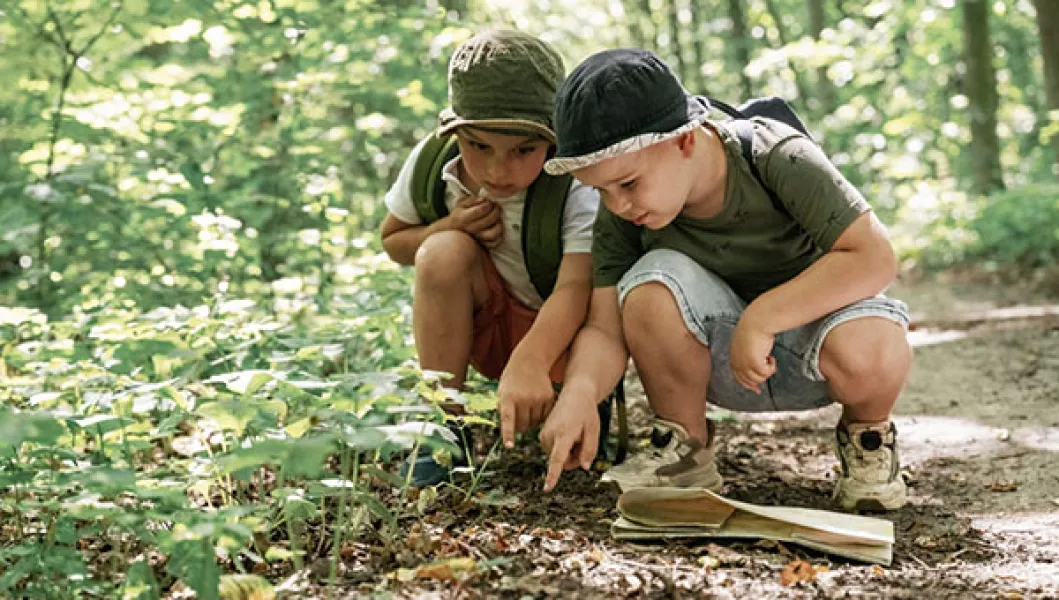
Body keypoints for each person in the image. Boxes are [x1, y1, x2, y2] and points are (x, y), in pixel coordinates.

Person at [537, 49, 912, 512]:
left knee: (876, 338)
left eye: (629, 184)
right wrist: (579, 391)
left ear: (685, 141)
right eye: (601, 192)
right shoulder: (623, 215)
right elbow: (604, 327)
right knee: (648, 287)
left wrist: (765, 316)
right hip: (712, 359)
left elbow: (875, 258)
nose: (617, 206)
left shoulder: (775, 154)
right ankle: (684, 451)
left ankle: (868, 441)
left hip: (817, 347)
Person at [379, 30, 599, 486]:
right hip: (482, 324)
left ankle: (579, 410)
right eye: (479, 147)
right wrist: (449, 226)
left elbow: (578, 286)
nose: (499, 171)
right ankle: (444, 425)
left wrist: (533, 360)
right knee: (441, 252)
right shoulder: (434, 165)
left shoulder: (576, 180)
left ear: (553, 141)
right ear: (455, 132)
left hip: (566, 336)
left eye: (524, 151)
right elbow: (394, 241)